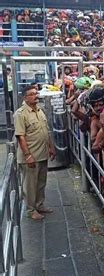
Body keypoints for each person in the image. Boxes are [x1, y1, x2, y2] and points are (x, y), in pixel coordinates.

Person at [14, 85, 56, 220]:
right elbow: (20, 136)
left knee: (41, 182)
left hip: (42, 154)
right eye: (32, 94)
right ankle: (31, 210)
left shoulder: (40, 110)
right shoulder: (21, 114)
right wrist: (28, 155)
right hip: (31, 156)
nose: (36, 96)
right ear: (25, 98)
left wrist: (51, 147)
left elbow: (46, 131)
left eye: (36, 93)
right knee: (30, 185)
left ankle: (40, 204)